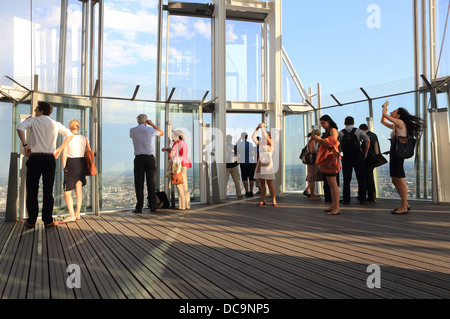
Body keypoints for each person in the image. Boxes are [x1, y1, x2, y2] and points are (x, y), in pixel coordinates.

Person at [17, 101, 74, 228]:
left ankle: (31, 220)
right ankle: (48, 220)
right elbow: (70, 135)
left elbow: (20, 128)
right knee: (48, 190)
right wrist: (60, 149)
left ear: (41, 110)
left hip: (35, 158)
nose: (35, 111)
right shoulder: (55, 124)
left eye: (37, 108)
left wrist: (25, 145)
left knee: (32, 189)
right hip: (49, 158)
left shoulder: (33, 120)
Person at [381, 101, 425, 214]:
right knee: (394, 179)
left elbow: (385, 116)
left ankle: (404, 206)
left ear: (399, 115)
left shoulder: (400, 122)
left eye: (394, 111)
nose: (392, 112)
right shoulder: (396, 125)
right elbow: (383, 121)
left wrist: (384, 106)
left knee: (399, 180)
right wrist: (385, 112)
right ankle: (405, 203)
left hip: (398, 154)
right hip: (394, 153)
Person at [130, 114, 164, 213]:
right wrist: (152, 124)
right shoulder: (149, 130)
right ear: (146, 121)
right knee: (151, 183)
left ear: (137, 121)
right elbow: (161, 132)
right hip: (149, 158)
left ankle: (139, 207)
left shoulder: (132, 130)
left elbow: (132, 137)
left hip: (139, 158)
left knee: (139, 183)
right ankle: (153, 206)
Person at [61, 119, 90, 223]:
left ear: (70, 127)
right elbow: (88, 151)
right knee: (79, 188)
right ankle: (78, 213)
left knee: (67, 191)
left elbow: (64, 155)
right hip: (82, 163)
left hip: (71, 163)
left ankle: (71, 215)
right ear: (79, 127)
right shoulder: (84, 138)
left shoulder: (68, 138)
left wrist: (64, 168)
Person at [311, 115, 340, 215]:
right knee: (330, 183)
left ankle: (336, 207)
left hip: (331, 159)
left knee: (333, 183)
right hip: (327, 159)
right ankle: (333, 205)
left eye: (323, 123)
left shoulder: (333, 130)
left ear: (328, 121)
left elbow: (333, 144)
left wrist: (320, 140)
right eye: (321, 124)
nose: (322, 126)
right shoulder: (328, 131)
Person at [338, 116, 370, 205]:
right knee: (361, 178)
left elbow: (337, 144)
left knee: (346, 179)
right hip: (357, 156)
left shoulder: (341, 132)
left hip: (346, 157)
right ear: (353, 123)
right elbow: (367, 140)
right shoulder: (358, 131)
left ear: (345, 123)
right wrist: (365, 152)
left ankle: (346, 199)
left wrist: (340, 152)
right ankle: (362, 199)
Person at [162, 130, 192, 210]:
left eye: (173, 136)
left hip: (178, 165)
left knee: (179, 185)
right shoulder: (184, 143)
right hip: (184, 164)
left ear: (176, 136)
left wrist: (168, 151)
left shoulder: (176, 144)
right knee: (185, 185)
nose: (172, 137)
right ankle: (187, 205)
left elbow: (172, 155)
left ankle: (181, 206)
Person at [252, 123, 278, 207]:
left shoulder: (271, 143)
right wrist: (257, 128)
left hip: (268, 163)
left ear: (269, 136)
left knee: (269, 182)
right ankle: (263, 200)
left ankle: (274, 200)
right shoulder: (261, 143)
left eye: (265, 135)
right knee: (261, 183)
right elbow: (253, 137)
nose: (263, 136)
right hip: (260, 163)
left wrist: (262, 128)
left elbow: (266, 138)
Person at [359, 123, 380, 202]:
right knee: (369, 177)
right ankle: (371, 195)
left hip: (368, 159)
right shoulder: (374, 135)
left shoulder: (367, 137)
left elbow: (365, 147)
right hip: (374, 159)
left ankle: (371, 196)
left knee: (368, 178)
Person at [237, 132, 257, 197]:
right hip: (251, 162)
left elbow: (236, 145)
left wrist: (240, 138)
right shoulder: (250, 144)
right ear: (247, 137)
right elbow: (253, 153)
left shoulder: (239, 144)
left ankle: (247, 191)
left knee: (244, 178)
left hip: (243, 162)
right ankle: (251, 191)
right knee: (251, 178)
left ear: (242, 137)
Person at [305, 129, 322, 201]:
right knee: (312, 178)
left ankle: (307, 191)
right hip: (313, 162)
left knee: (312, 177)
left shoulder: (311, 141)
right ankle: (312, 195)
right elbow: (313, 151)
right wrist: (319, 153)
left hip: (312, 162)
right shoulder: (312, 141)